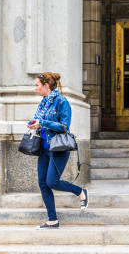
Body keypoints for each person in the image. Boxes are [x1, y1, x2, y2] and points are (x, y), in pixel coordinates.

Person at [27, 72, 88, 228]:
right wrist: (34, 124)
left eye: (37, 85)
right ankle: (52, 220)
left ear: (46, 86)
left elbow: (64, 126)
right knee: (43, 183)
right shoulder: (43, 103)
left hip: (58, 148)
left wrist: (42, 123)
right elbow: (41, 123)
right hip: (44, 148)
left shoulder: (61, 102)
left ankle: (80, 192)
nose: (35, 88)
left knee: (51, 181)